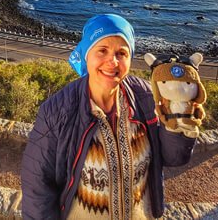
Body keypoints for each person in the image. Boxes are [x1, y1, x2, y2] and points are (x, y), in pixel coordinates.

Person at [21, 14, 197, 219]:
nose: (112, 62)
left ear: (130, 58)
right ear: (87, 54)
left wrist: (178, 123)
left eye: (121, 53)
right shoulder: (57, 110)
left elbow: (174, 157)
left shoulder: (146, 97)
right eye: (102, 50)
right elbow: (37, 185)